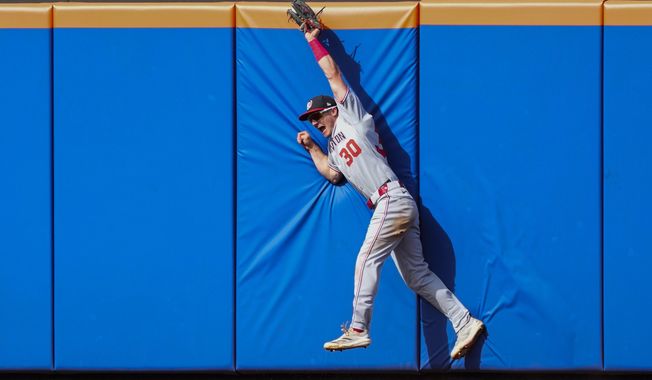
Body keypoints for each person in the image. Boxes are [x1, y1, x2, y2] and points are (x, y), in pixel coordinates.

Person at [295, 25, 484, 359]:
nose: (314, 121)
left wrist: (313, 40)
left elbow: (333, 73)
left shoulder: (351, 117)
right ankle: (464, 321)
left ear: (332, 110)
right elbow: (333, 175)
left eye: (317, 115)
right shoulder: (334, 148)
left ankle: (357, 329)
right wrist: (312, 147)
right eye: (310, 120)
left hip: (391, 199)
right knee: (416, 276)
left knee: (365, 259)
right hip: (391, 205)